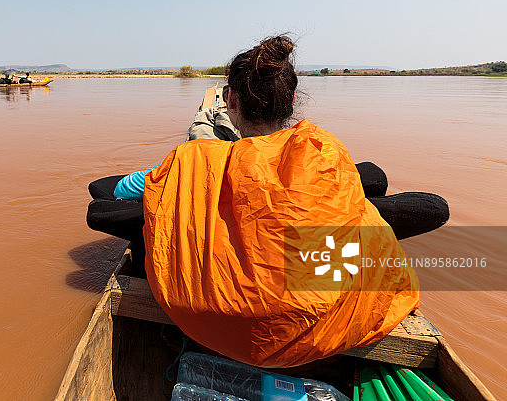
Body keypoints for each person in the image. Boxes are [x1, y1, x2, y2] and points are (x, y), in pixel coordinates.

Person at [89, 35, 439, 368]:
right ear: (291, 101)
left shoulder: (192, 158)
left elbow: (102, 189)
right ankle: (375, 212)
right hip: (318, 327)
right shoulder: (321, 149)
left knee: (132, 209)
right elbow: (435, 207)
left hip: (209, 323)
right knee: (367, 183)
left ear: (232, 101)